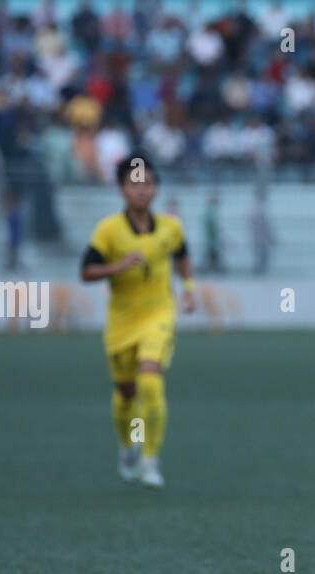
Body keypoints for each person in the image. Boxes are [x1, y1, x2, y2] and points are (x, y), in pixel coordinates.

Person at [80, 154, 195, 489]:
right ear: (122, 190)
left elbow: (182, 255)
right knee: (125, 393)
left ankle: (150, 459)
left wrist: (188, 288)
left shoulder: (171, 228)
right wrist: (117, 267)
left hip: (159, 315)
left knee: (150, 381)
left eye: (148, 184)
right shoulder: (108, 231)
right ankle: (129, 443)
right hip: (122, 321)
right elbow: (86, 271)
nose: (142, 191)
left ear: (156, 189)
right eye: (135, 184)